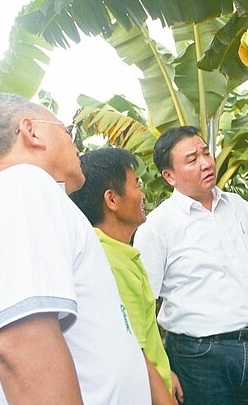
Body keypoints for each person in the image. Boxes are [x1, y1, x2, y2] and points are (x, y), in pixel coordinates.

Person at [0, 93, 150, 403]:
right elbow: (22, 343)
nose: (77, 144)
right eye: (67, 131)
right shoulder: (20, 186)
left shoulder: (0, 201)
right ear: (31, 131)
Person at [133, 125, 248, 405]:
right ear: (169, 176)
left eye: (206, 153)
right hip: (198, 356)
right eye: (192, 159)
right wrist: (159, 370)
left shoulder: (236, 206)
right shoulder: (158, 227)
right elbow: (141, 306)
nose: (206, 163)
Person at [70, 147, 183, 405]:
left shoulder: (116, 252)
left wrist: (165, 372)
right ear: (112, 200)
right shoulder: (110, 262)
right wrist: (164, 398)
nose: (143, 194)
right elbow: (135, 349)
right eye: (136, 185)